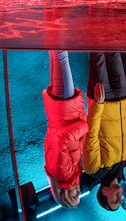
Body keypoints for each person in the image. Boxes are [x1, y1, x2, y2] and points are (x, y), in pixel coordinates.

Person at [81, 52, 126, 211]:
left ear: (104, 192)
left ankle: (91, 25)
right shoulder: (124, 162)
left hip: (102, 100)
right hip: (121, 97)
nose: (119, 198)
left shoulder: (94, 170)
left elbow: (91, 134)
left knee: (97, 53)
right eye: (120, 202)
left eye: (114, 201)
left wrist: (97, 106)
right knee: (114, 51)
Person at [42, 50, 87, 208]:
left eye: (74, 196)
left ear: (64, 195)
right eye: (79, 195)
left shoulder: (63, 173)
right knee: (56, 53)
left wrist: (85, 127)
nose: (78, 191)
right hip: (60, 110)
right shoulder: (63, 173)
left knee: (61, 54)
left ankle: (55, 26)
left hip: (65, 109)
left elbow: (61, 139)